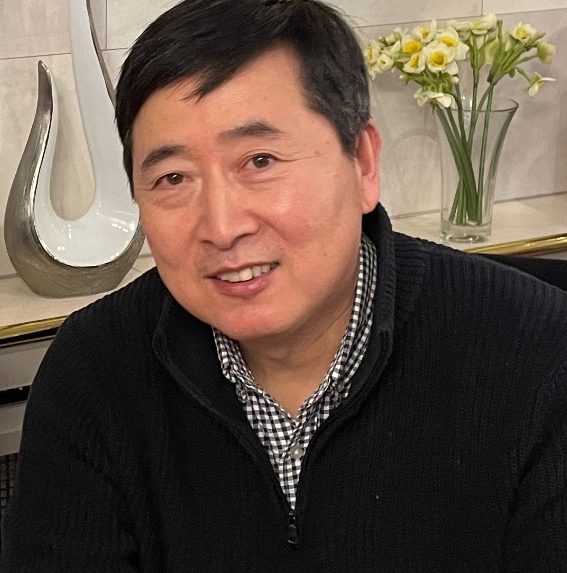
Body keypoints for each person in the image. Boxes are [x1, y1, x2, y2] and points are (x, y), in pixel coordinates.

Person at [2, 0, 567, 570]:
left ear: (363, 164)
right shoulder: (93, 370)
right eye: (173, 178)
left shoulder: (538, 355)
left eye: (260, 161)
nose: (222, 226)